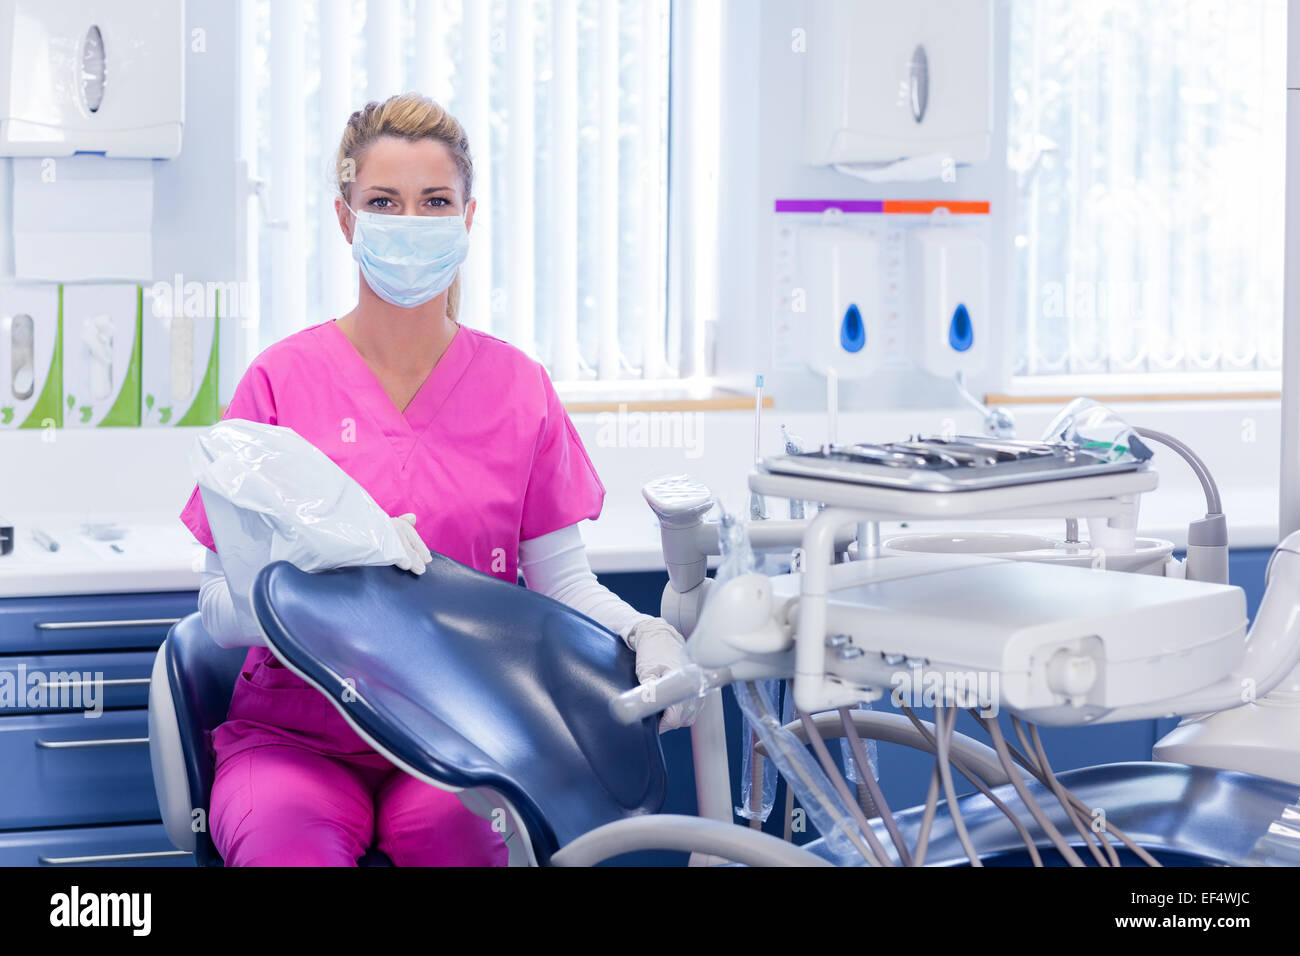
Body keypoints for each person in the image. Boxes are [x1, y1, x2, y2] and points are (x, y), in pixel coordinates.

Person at [179, 92, 696, 867]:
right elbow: (218, 611)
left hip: (464, 731)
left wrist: (645, 632)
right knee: (288, 848)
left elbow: (560, 586)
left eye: (434, 203)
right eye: (384, 202)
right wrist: (326, 593)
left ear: (467, 217)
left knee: (466, 840)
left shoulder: (517, 389)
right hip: (298, 737)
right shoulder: (279, 385)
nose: (410, 223)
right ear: (347, 217)